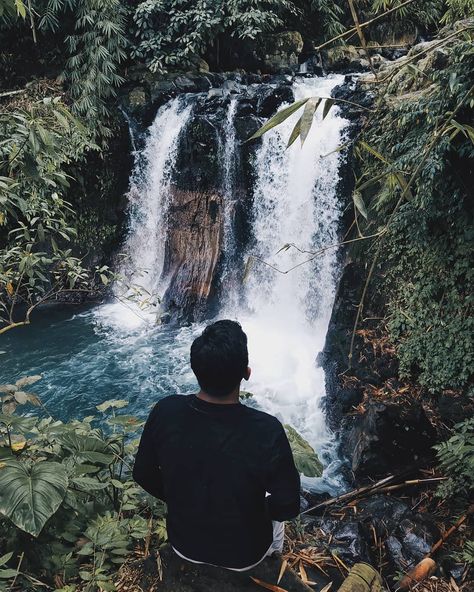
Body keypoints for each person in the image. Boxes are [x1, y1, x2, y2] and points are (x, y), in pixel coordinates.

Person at [133, 319, 301, 571]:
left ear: (195, 369)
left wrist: (184, 499)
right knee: (276, 519)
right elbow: (287, 505)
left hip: (184, 544)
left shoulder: (166, 410)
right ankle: (270, 561)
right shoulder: (266, 430)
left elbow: (142, 473)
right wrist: (250, 511)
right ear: (246, 373)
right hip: (245, 555)